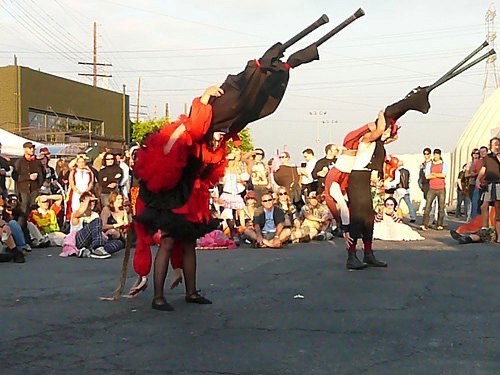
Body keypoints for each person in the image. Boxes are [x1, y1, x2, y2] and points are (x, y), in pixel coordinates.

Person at [131, 85, 228, 311]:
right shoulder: (185, 134)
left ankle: (191, 292)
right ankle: (158, 297)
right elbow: (187, 133)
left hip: (190, 199)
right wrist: (205, 97)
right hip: (172, 198)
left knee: (188, 244)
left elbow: (210, 165)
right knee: (167, 242)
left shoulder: (205, 143)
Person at [342, 110, 391, 270]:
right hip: (358, 178)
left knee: (369, 219)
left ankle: (368, 254)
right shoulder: (366, 139)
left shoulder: (378, 143)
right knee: (358, 217)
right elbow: (380, 130)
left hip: (367, 180)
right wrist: (382, 115)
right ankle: (351, 256)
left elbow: (385, 136)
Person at [476, 137, 500, 238]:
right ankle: (484, 228)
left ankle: (498, 233)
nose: (495, 146)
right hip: (489, 183)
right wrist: (478, 179)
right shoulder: (487, 157)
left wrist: (497, 156)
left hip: (498, 183)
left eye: (497, 144)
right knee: (484, 205)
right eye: (493, 144)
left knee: (497, 206)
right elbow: (483, 169)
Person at [420, 148, 448, 231]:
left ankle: (439, 224)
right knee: (428, 206)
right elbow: (427, 176)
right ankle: (425, 224)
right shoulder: (430, 164)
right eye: (434, 154)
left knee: (441, 207)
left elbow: (444, 175)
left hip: (441, 188)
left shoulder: (444, 164)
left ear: (440, 155)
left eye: (437, 154)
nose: (436, 156)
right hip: (432, 188)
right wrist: (437, 175)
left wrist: (434, 174)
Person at [14, 142, 44, 213]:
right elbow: (15, 176)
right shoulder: (19, 162)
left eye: (33, 148)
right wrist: (28, 177)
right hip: (23, 190)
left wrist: (39, 186)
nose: (32, 150)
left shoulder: (37, 162)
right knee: (24, 210)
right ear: (25, 149)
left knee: (34, 210)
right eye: (30, 148)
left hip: (35, 190)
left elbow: (42, 174)